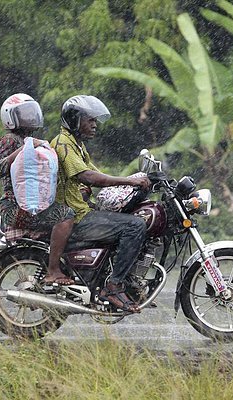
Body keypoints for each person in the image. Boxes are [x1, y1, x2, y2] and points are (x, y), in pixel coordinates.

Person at [50, 95, 151, 313]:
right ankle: (113, 286)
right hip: (75, 217)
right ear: (75, 120)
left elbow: (97, 174)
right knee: (135, 225)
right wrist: (129, 181)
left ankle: (117, 277)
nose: (95, 125)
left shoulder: (77, 145)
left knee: (132, 217)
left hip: (81, 210)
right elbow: (90, 177)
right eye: (90, 120)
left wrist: (133, 181)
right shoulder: (63, 144)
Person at [0, 93, 76, 286]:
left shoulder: (32, 140)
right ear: (10, 118)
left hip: (30, 204)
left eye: (31, 113)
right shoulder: (10, 140)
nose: (30, 118)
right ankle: (53, 270)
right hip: (14, 208)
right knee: (65, 216)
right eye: (24, 114)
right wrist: (24, 149)